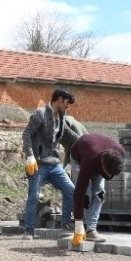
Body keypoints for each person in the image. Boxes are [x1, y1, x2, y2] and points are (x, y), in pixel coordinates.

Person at [22, 87, 81, 239]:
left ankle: (65, 223)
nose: (67, 107)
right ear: (60, 100)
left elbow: (69, 134)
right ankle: (29, 230)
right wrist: (30, 156)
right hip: (38, 165)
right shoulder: (40, 114)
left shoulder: (61, 118)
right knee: (33, 196)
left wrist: (87, 140)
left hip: (55, 165)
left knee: (71, 191)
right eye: (67, 103)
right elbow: (27, 134)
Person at [68, 133, 126, 246]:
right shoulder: (88, 160)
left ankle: (91, 230)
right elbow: (78, 194)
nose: (109, 178)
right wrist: (78, 225)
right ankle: (82, 228)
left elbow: (110, 171)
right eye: (108, 174)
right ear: (103, 164)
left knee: (99, 193)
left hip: (98, 154)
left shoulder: (120, 152)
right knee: (85, 194)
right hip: (79, 158)